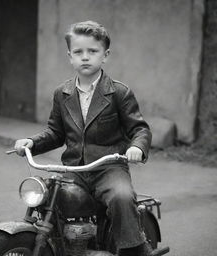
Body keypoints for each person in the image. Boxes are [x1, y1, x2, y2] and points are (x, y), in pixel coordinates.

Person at [14, 20, 152, 256]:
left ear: (105, 55)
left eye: (92, 51)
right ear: (70, 56)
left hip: (108, 168)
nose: (85, 57)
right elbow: (56, 133)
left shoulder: (119, 92)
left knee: (121, 196)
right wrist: (33, 143)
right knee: (47, 196)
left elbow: (140, 129)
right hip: (74, 170)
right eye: (78, 52)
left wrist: (137, 147)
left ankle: (136, 250)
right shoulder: (62, 93)